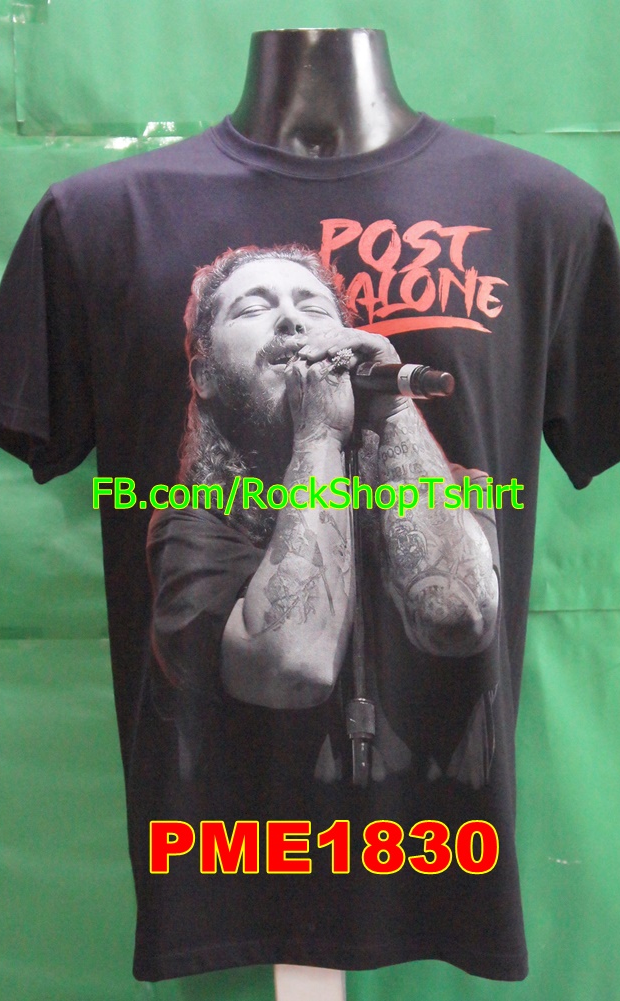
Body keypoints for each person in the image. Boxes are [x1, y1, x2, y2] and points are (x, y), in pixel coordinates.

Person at [146, 244, 501, 796]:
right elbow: (293, 667)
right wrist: (319, 437)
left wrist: (396, 410)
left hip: (438, 845)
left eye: (312, 307)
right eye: (253, 308)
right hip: (269, 849)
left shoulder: (455, 489)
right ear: (205, 374)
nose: (291, 320)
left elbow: (456, 617)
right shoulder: (192, 525)